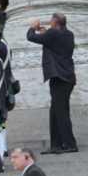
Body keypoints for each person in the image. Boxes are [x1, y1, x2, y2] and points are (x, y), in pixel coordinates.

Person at [27, 13, 78, 154]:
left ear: (55, 22)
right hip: (66, 77)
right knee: (55, 112)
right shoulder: (69, 34)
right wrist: (46, 33)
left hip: (60, 77)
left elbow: (31, 37)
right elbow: (53, 42)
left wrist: (33, 27)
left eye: (51, 21)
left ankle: (70, 144)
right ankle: (56, 145)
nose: (49, 23)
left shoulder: (53, 34)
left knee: (61, 112)